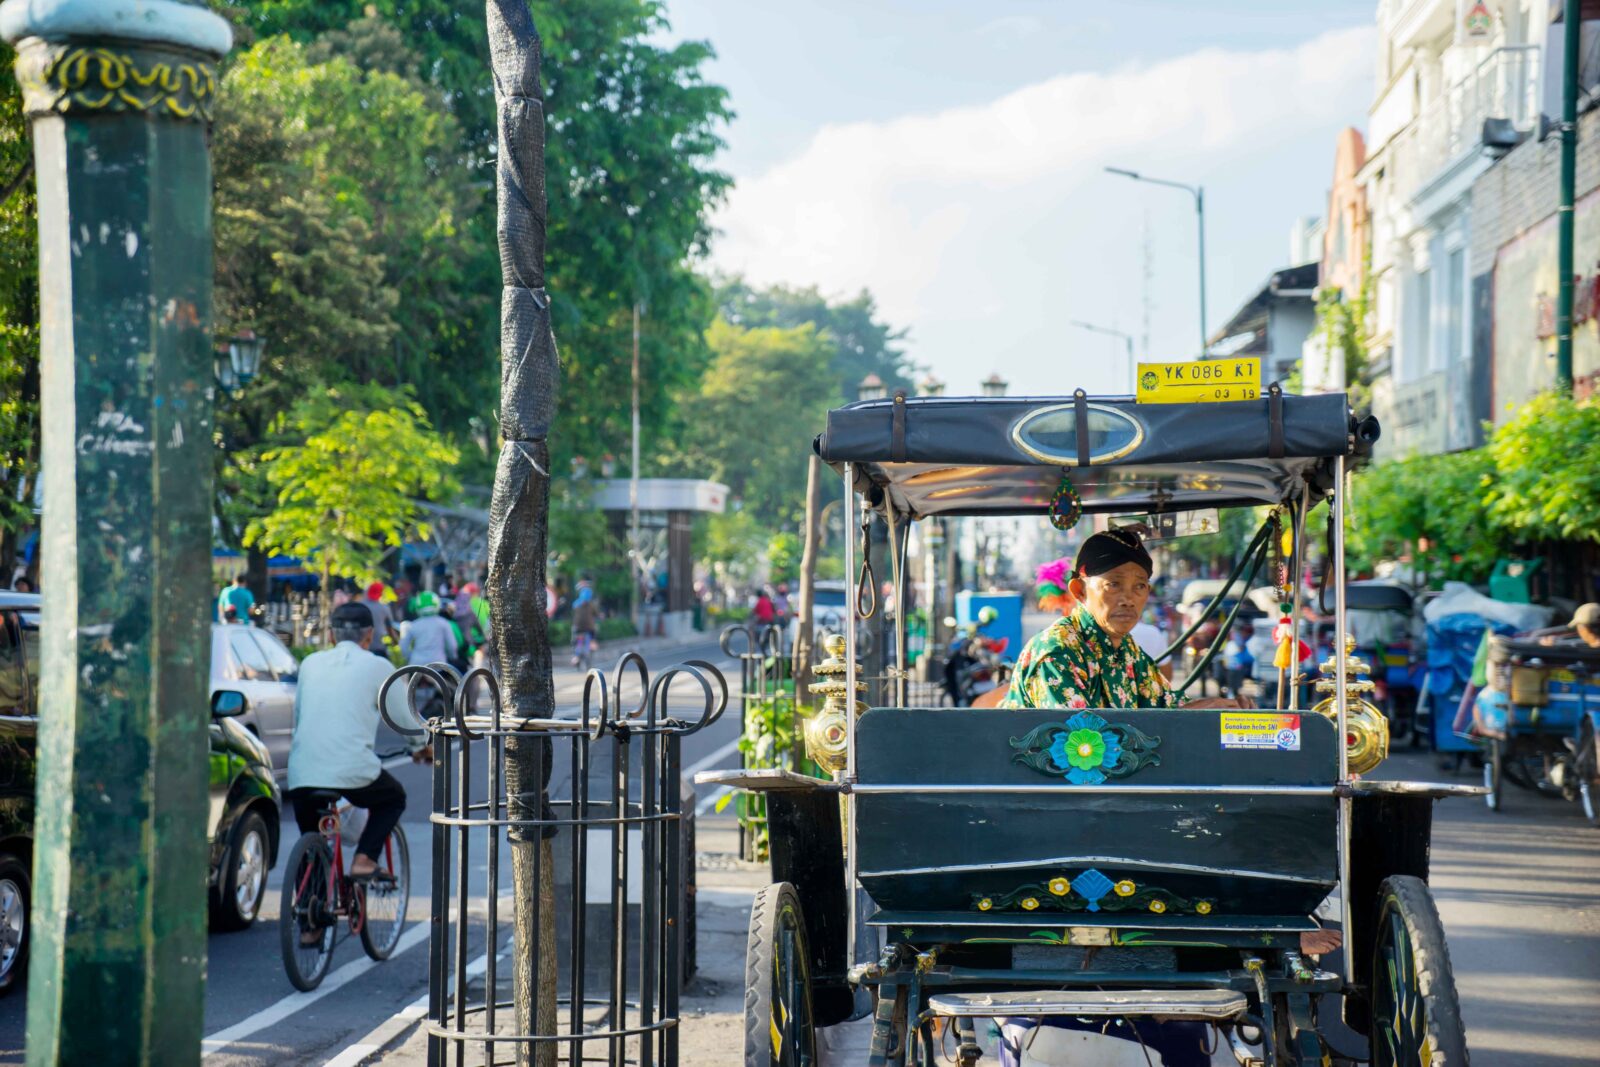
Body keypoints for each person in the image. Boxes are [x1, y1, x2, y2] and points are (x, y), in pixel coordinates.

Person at [285, 602, 431, 891]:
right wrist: (421, 746)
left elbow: (301, 717)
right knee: (392, 799)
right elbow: (404, 719)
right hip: (353, 770)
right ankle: (364, 859)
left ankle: (310, 927)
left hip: (302, 772)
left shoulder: (309, 664)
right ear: (369, 636)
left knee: (312, 845)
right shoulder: (379, 667)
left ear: (331, 635)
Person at [399, 591, 458, 667]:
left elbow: (403, 645)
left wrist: (410, 657)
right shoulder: (444, 623)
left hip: (417, 666)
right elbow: (452, 646)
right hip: (438, 665)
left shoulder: (414, 625)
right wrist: (452, 657)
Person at [571, 579, 598, 667]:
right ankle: (592, 645)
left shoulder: (576, 604)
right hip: (589, 628)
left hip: (578, 628)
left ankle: (576, 656)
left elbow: (573, 612)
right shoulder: (591, 604)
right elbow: (596, 613)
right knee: (593, 633)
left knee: (575, 641)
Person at [364, 582, 397, 647]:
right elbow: (390, 628)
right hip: (379, 644)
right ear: (381, 593)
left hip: (363, 644)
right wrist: (395, 641)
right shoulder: (384, 608)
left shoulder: (361, 605)